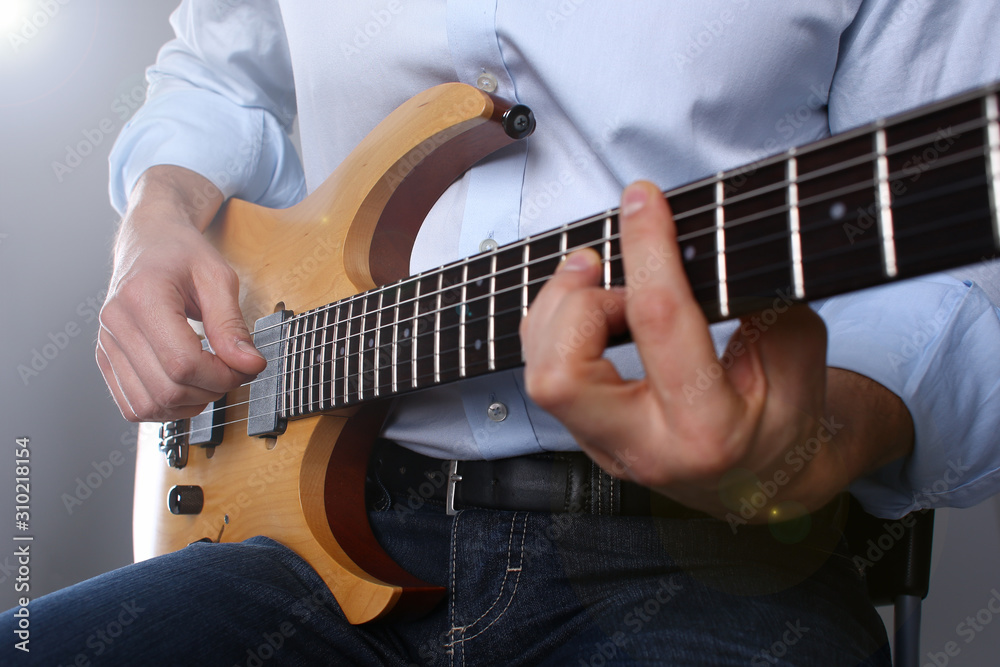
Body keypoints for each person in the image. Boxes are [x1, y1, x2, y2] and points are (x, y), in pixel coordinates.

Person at [5, 1, 1000, 664]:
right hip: (309, 530)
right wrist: (158, 209)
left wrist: (825, 428)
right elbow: (219, 71)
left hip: (702, 555)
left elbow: (960, 269)